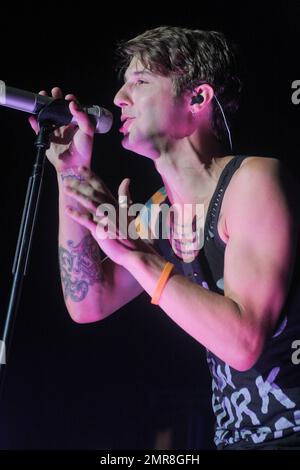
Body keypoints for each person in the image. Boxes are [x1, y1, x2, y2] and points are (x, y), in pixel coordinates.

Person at [29, 26, 300, 450]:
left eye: (139, 82)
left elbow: (243, 343)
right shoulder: (161, 211)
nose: (119, 98)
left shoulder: (253, 181)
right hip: (232, 441)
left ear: (197, 98)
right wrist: (71, 173)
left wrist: (138, 257)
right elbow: (88, 303)